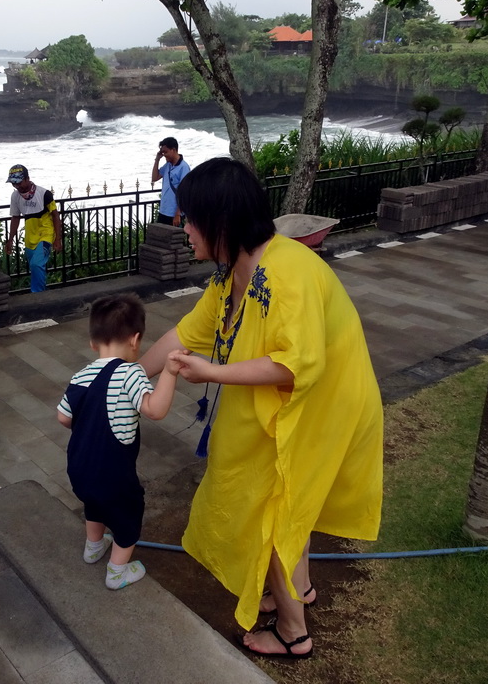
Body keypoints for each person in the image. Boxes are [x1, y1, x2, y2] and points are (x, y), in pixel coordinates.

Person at [140, 158, 383, 660]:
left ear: (221, 223)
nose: (182, 229)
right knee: (281, 502)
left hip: (323, 403)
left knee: (271, 507)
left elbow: (294, 367)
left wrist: (211, 373)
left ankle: (294, 632)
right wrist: (121, 380)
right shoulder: (231, 275)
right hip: (295, 400)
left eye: (189, 219)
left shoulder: (287, 273)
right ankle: (301, 588)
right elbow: (187, 334)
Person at [57, 293, 181, 590]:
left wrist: (89, 424)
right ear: (135, 340)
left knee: (94, 505)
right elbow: (155, 409)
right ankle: (117, 572)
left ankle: (93, 547)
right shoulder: (131, 373)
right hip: (114, 477)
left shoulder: (80, 376)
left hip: (78, 470)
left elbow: (62, 417)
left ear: (92, 342)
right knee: (127, 517)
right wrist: (170, 372)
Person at [3, 164, 63, 293]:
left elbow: (55, 216)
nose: (17, 186)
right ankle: (42, 292)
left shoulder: (44, 193)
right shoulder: (15, 197)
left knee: (36, 264)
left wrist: (57, 239)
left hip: (46, 234)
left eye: (19, 183)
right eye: (13, 184)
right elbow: (15, 217)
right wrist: (10, 239)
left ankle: (37, 295)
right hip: (30, 237)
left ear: (27, 178)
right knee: (35, 266)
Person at [151, 137, 191, 226]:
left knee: (175, 239)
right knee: (162, 238)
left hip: (174, 214)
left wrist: (178, 214)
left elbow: (184, 192)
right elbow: (154, 177)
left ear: (173, 150)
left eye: (166, 152)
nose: (164, 154)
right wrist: (157, 159)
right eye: (162, 152)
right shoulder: (168, 165)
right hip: (164, 211)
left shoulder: (183, 167)